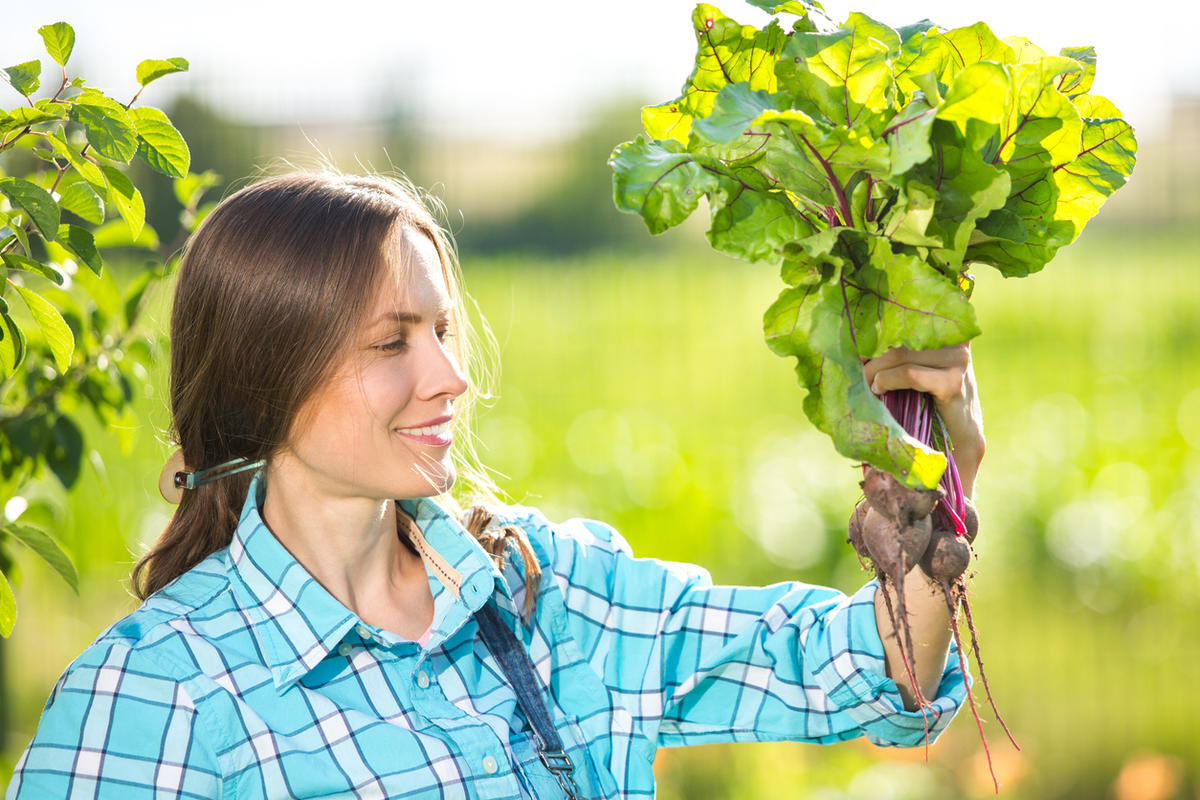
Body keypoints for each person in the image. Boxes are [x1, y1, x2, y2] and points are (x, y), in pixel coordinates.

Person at [5, 170, 982, 799]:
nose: (449, 376)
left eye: (442, 330)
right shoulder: (156, 692)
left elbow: (865, 670)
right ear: (267, 379)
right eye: (392, 342)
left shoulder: (540, 591)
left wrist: (937, 483)